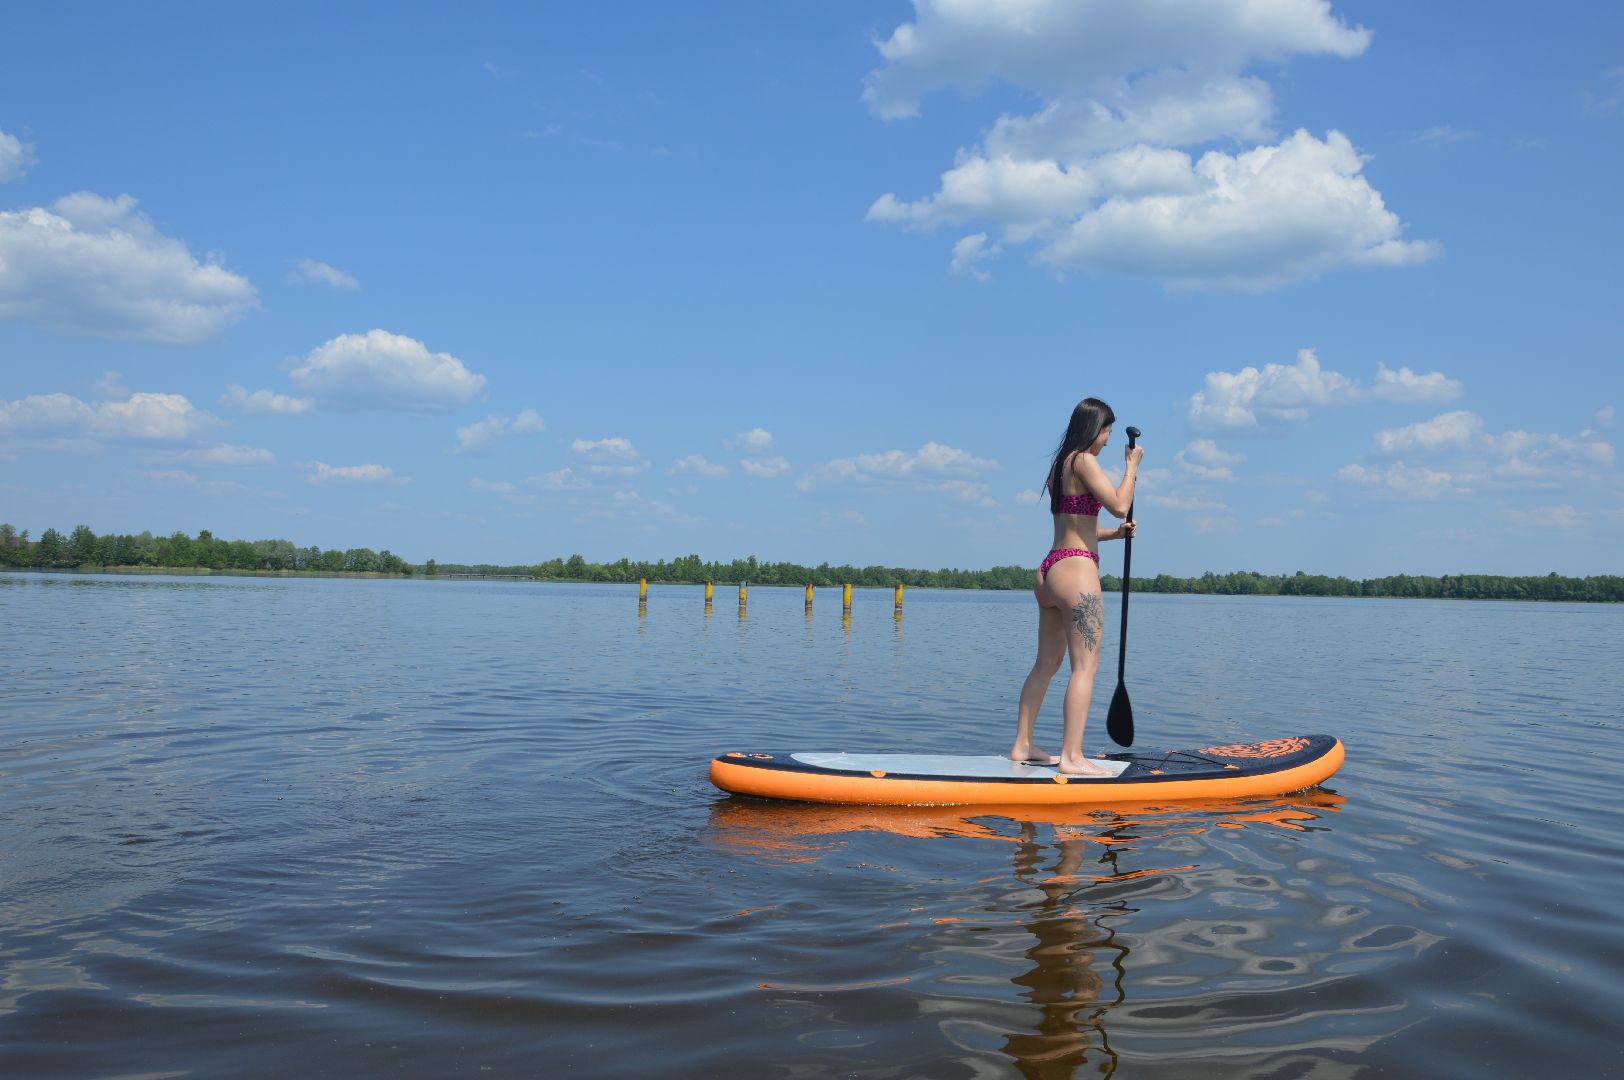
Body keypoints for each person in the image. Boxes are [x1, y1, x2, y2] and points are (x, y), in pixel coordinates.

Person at [1011, 398, 1142, 777]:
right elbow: (1119, 503)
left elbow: (1077, 526)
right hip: (1078, 576)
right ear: (1094, 429)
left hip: (1050, 570)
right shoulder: (1084, 460)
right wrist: (1131, 468)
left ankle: (1022, 745)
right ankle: (1072, 757)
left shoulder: (1061, 464)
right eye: (1107, 433)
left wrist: (1114, 536)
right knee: (1084, 668)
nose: (1107, 440)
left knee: (1045, 664)